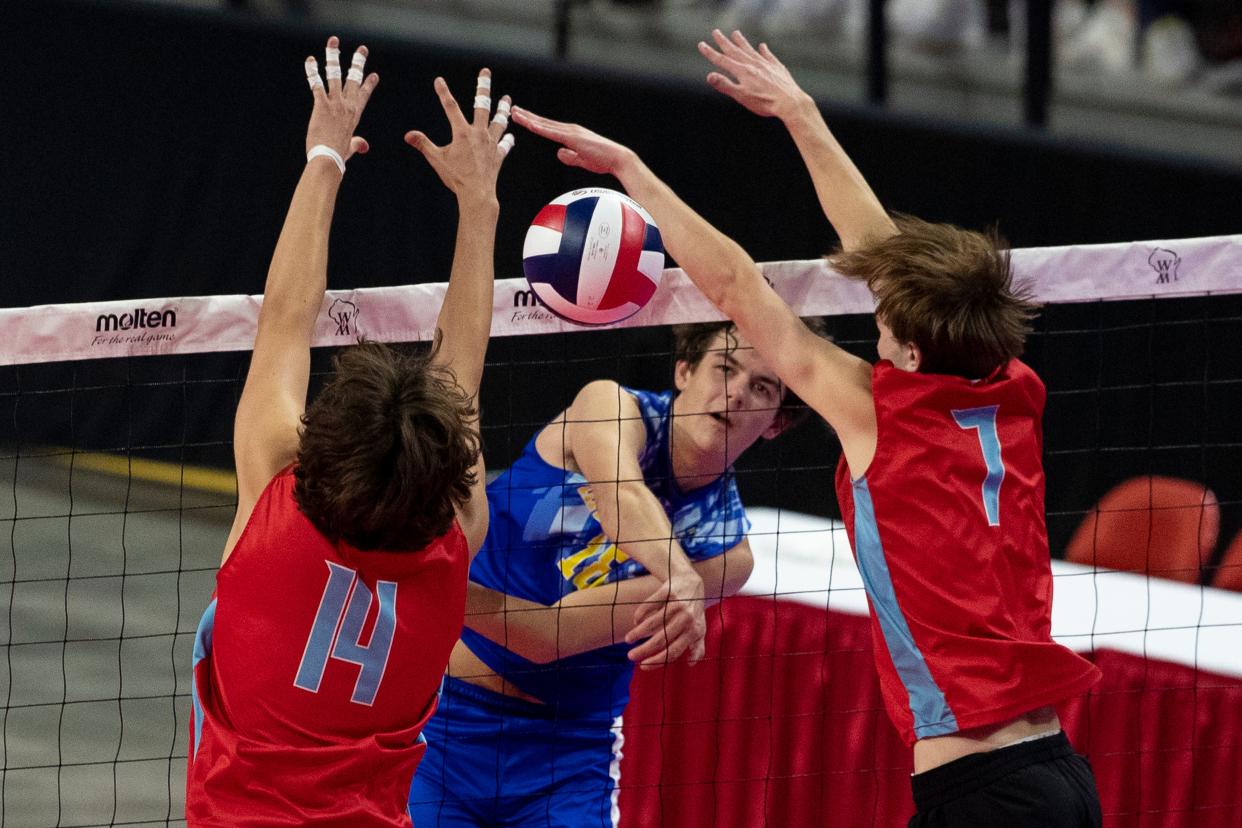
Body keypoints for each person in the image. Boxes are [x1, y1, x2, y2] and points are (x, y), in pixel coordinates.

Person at [510, 28, 1103, 827]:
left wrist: (632, 172)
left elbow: (735, 284)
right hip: (1062, 777)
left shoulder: (879, 413)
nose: (876, 321)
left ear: (917, 349)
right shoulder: (1011, 387)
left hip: (983, 798)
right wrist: (799, 112)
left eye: (887, 322)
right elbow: (883, 254)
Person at [185, 39, 515, 825]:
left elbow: (286, 320)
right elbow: (458, 380)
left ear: (321, 441)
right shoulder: (457, 537)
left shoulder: (275, 504)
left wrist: (324, 155)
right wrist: (481, 207)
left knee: (211, 631)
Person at [408, 319, 824, 826]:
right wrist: (679, 574)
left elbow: (547, 636)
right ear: (684, 371)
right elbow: (621, 495)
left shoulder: (727, 554)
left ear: (777, 422)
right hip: (441, 719)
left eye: (762, 387)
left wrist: (423, 582)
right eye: (724, 367)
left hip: (566, 755)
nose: (736, 394)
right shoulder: (607, 406)